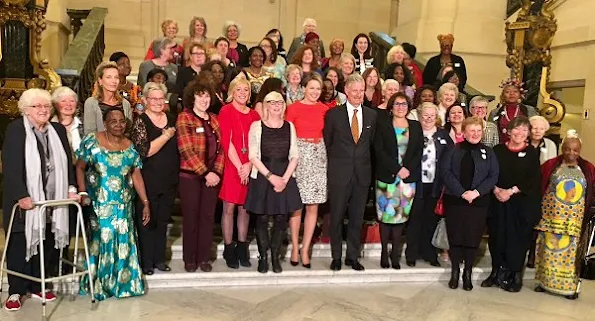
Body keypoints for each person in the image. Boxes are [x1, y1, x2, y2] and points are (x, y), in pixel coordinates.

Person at [2, 88, 78, 312]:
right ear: (26, 110)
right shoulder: (16, 130)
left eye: (46, 106)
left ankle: (39, 283)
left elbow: (67, 163)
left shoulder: (57, 130)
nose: (44, 110)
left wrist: (72, 187)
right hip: (26, 200)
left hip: (53, 200)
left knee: (47, 242)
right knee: (20, 243)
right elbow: (11, 166)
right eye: (38, 107)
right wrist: (21, 194)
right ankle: (16, 290)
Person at [77, 107, 150, 301]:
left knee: (124, 243)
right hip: (99, 205)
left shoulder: (129, 146)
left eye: (121, 121)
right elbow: (80, 166)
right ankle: (100, 285)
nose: (118, 125)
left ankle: (123, 284)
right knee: (102, 240)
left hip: (124, 206)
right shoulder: (92, 141)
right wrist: (83, 192)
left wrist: (145, 202)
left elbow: (136, 175)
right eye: (113, 121)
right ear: (105, 123)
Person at [481, 116, 541, 292]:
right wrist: (496, 189)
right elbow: (490, 172)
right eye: (517, 129)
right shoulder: (498, 150)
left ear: (528, 134)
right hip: (498, 202)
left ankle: (515, 275)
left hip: (519, 205)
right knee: (497, 238)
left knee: (517, 240)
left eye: (524, 130)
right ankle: (495, 272)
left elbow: (533, 181)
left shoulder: (531, 153)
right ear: (508, 131)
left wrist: (511, 191)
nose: (520, 133)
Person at [324, 73, 377, 271]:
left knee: (357, 217)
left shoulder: (372, 115)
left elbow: (370, 145)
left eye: (361, 91)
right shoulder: (333, 115)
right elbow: (328, 144)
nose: (358, 94)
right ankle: (336, 256)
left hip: (362, 175)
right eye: (354, 91)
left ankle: (352, 257)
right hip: (339, 174)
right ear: (346, 91)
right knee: (336, 216)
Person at [245, 92, 302, 273]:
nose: (276, 105)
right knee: (261, 218)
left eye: (280, 102)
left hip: (284, 175)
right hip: (264, 175)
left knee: (281, 218)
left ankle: (276, 256)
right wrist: (271, 177)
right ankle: (263, 257)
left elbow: (294, 155)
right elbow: (253, 156)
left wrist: (284, 179)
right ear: (266, 106)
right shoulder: (257, 126)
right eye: (272, 102)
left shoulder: (289, 126)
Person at [534, 131, 595, 300]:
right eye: (567, 149)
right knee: (547, 251)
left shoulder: (588, 168)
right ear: (562, 148)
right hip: (550, 219)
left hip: (574, 221)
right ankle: (542, 282)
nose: (571, 153)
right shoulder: (550, 165)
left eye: (575, 150)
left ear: (580, 150)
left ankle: (568, 288)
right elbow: (539, 185)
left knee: (570, 255)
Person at [440, 116, 499, 291]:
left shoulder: (488, 152)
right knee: (456, 237)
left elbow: (493, 176)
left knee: (472, 239)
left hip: (478, 203)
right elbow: (446, 172)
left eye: (478, 131)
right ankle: (455, 272)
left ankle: (467, 273)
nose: (475, 134)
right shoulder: (453, 149)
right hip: (455, 200)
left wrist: (476, 193)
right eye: (472, 130)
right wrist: (462, 192)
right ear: (464, 133)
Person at [131, 82, 179, 275]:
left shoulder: (172, 118)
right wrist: (167, 135)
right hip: (148, 179)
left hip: (169, 179)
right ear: (145, 100)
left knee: (162, 221)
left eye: (161, 98)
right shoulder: (140, 121)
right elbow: (146, 151)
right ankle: (147, 262)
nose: (158, 102)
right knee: (147, 221)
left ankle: (160, 259)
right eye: (154, 99)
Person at [176, 80, 224, 272]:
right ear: (192, 97)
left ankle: (204, 258)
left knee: (207, 217)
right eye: (200, 95)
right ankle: (190, 258)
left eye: (207, 96)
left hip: (212, 177)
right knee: (191, 217)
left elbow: (221, 150)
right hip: (191, 177)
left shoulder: (214, 119)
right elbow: (186, 150)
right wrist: (205, 173)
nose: (204, 99)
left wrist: (217, 172)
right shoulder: (184, 118)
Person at [374, 92, 423, 269]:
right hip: (387, 178)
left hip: (407, 180)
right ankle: (384, 253)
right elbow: (379, 151)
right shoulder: (382, 125)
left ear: (408, 107)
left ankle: (395, 254)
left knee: (401, 217)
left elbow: (418, 151)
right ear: (391, 107)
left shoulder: (416, 126)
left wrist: (406, 170)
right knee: (386, 216)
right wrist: (397, 169)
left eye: (403, 104)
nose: (400, 107)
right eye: (397, 104)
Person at [286, 74, 330, 268]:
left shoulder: (324, 109)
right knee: (297, 205)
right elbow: (287, 136)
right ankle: (295, 246)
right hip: (299, 157)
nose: (314, 92)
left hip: (319, 157)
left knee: (313, 206)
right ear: (303, 88)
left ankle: (305, 249)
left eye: (318, 89)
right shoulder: (293, 108)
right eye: (311, 88)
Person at [218, 77, 261, 269]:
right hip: (232, 166)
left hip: (249, 166)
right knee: (229, 209)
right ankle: (229, 248)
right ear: (232, 92)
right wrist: (239, 167)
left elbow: (257, 145)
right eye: (239, 90)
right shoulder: (225, 111)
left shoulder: (254, 116)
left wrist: (249, 166)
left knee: (245, 209)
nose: (242, 93)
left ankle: (242, 247)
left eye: (246, 90)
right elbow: (227, 142)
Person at [408, 102, 452, 268]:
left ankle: (429, 253)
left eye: (432, 116)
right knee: (415, 219)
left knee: (431, 220)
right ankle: (411, 253)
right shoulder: (414, 133)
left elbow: (449, 159)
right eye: (425, 115)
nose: (428, 119)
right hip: (416, 184)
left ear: (436, 117)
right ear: (419, 116)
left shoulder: (443, 135)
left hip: (435, 185)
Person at [526, 115, 558, 268]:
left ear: (545, 130)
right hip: (523, 188)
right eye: (534, 128)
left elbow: (552, 167)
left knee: (536, 222)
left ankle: (532, 253)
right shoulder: (523, 143)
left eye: (541, 128)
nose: (537, 131)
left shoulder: (550, 144)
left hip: (542, 188)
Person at [84, 62, 133, 135]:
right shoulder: (91, 103)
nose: (113, 81)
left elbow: (129, 133)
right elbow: (90, 134)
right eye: (108, 77)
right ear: (100, 81)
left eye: (116, 77)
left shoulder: (125, 104)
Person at [488, 79, 539, 143]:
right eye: (507, 92)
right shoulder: (494, 113)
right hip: (501, 148)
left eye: (515, 91)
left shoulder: (530, 110)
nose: (511, 94)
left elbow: (536, 129)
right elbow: (490, 133)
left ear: (520, 94)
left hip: (525, 147)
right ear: (503, 95)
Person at [51, 86, 83, 154]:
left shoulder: (84, 124)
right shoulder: (49, 126)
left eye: (72, 101)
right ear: (55, 104)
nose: (68, 104)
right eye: (63, 101)